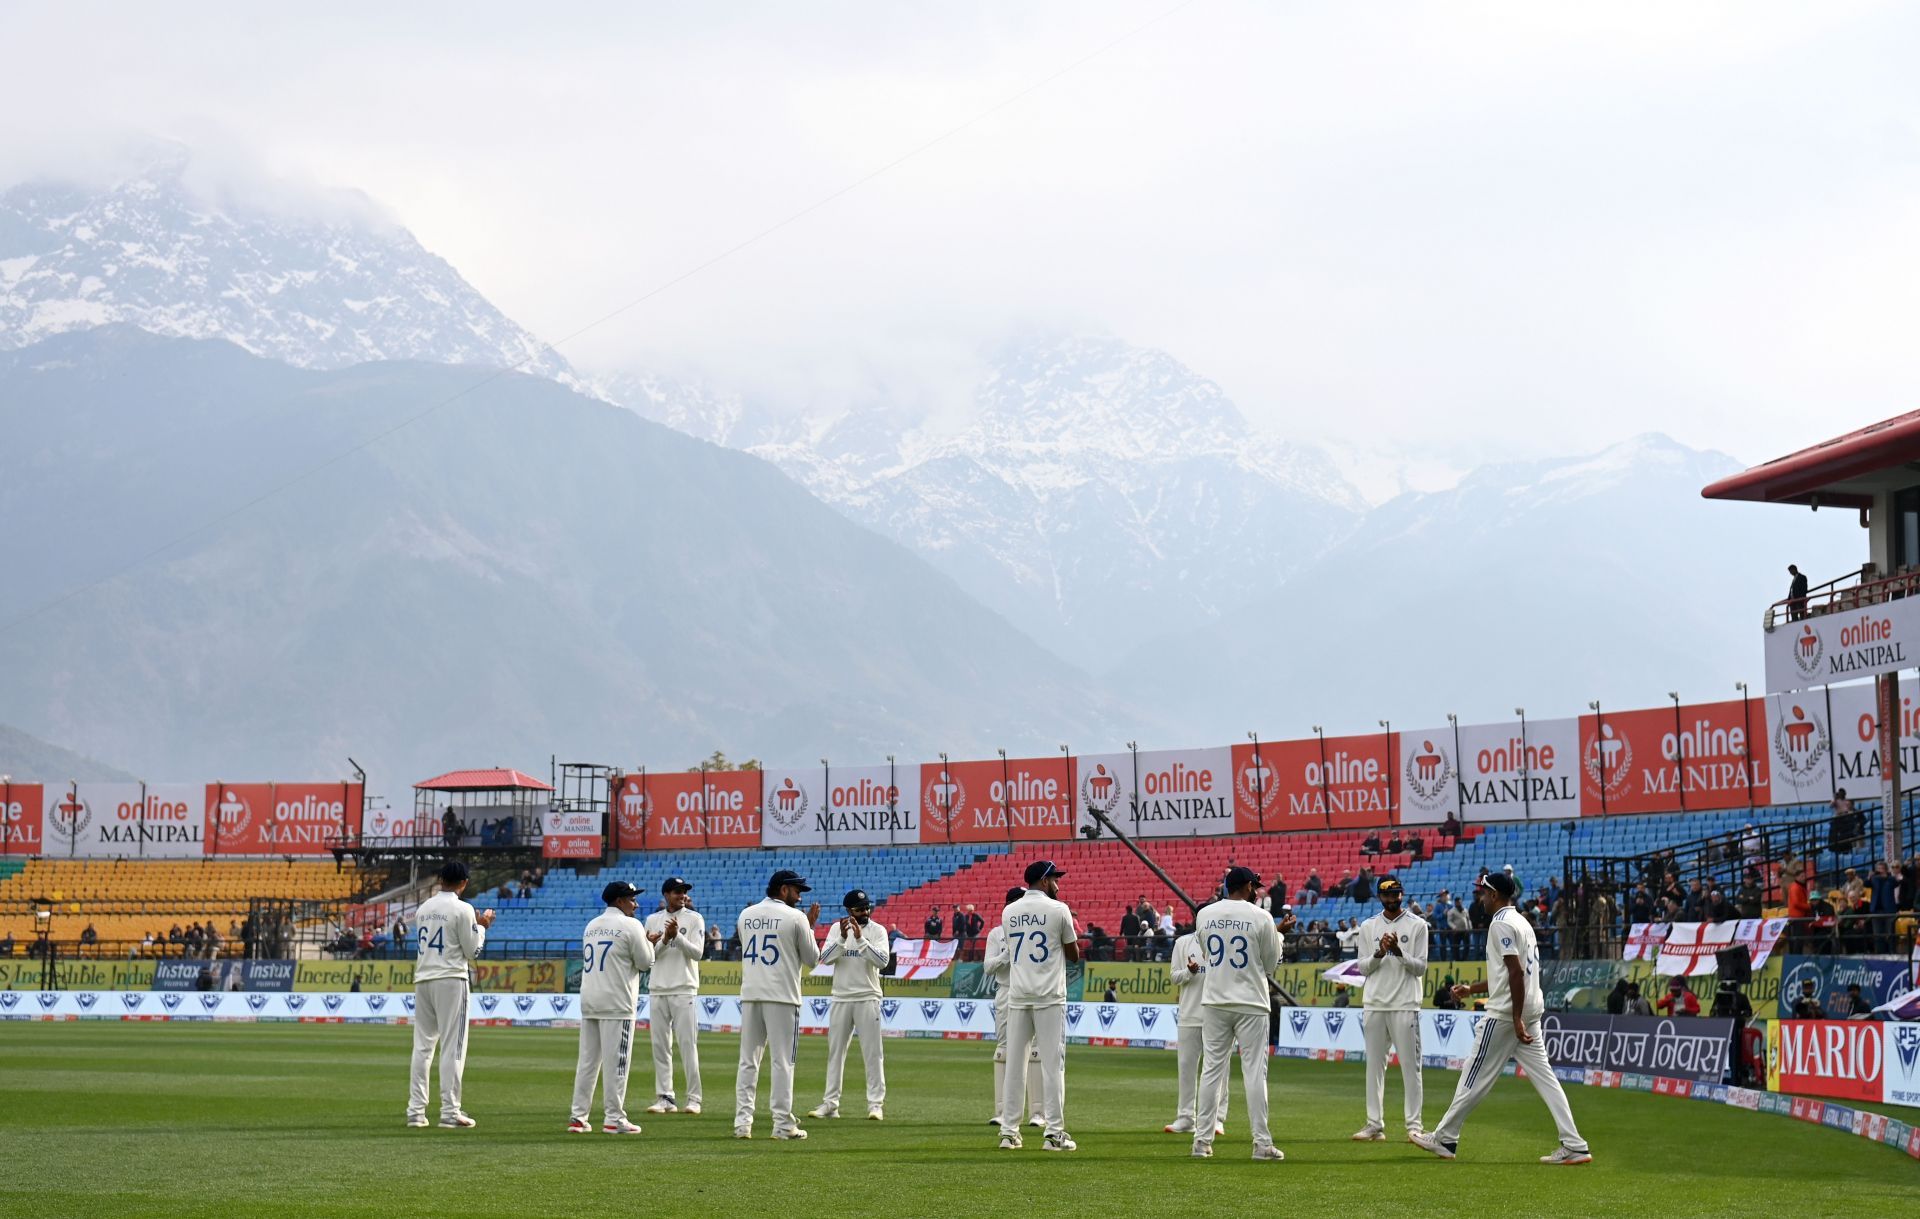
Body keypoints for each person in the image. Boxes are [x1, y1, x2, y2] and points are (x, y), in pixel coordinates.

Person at [1411, 873, 1591, 1165]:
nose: (1481, 898)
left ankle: (1445, 1137)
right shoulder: (1521, 922)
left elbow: (1516, 973)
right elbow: (1510, 973)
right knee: (1546, 1079)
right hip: (1530, 1008)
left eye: (1483, 893)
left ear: (1494, 895)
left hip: (1508, 1014)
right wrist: (1472, 989)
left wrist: (1515, 1017)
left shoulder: (1501, 924)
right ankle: (1575, 1144)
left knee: (1473, 1074)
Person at [1190, 867, 1284, 1162]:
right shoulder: (1261, 917)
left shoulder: (1204, 914)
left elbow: (1206, 952)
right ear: (1245, 887)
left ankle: (1201, 1142)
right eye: (1254, 886)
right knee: (1255, 1073)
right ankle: (1261, 1143)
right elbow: (1270, 963)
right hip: (1251, 1002)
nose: (1257, 891)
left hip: (1216, 1000)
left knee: (1211, 1072)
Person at [997, 860, 1081, 1152]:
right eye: (1055, 878)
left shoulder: (1009, 911)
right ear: (1044, 881)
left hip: (1018, 996)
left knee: (1014, 1068)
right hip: (1048, 997)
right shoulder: (1059, 909)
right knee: (1052, 1067)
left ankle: (1008, 1133)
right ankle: (1054, 1133)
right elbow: (1073, 954)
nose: (1058, 883)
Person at [406, 860, 496, 1129]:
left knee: (422, 1047)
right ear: (464, 883)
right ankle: (449, 1111)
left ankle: (415, 1112)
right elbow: (472, 952)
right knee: (453, 1048)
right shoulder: (463, 908)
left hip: (423, 978)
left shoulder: (424, 908)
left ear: (440, 880)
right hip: (450, 978)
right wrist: (482, 927)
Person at [733, 869, 821, 1140]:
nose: (799, 897)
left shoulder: (745, 914)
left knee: (748, 1061)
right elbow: (812, 959)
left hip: (751, 993)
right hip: (782, 996)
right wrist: (809, 927)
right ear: (783, 890)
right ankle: (782, 1124)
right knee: (783, 1061)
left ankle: (742, 1124)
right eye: (796, 891)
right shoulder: (796, 917)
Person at [569, 881, 655, 1134]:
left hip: (590, 999)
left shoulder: (592, 925)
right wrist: (650, 943)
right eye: (632, 899)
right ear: (619, 901)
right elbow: (645, 961)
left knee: (587, 1062)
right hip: (617, 1002)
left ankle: (578, 1117)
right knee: (617, 1062)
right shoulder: (631, 925)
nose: (636, 904)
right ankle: (614, 1118)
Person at [1353, 878, 1427, 1143]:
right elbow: (1362, 968)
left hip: (1405, 1004)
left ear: (1402, 895)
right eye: (1386, 896)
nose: (1392, 900)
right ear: (1379, 898)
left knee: (1411, 1067)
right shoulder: (1368, 926)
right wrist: (1379, 952)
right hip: (1374, 1004)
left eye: (1395, 895)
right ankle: (1374, 1124)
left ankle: (1414, 1126)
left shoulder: (1418, 926)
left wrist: (1397, 951)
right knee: (1373, 1067)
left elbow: (1420, 967)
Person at [811, 889, 890, 1121]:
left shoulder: (877, 931)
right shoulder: (837, 929)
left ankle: (875, 1105)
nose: (864, 912)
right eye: (859, 910)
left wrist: (861, 939)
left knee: (873, 1053)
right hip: (841, 997)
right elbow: (825, 958)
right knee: (835, 1053)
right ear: (848, 911)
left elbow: (882, 961)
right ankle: (830, 1104)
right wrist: (844, 939)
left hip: (868, 996)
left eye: (867, 908)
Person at [1163, 912, 1230, 1137]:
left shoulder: (1223, 942)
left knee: (1220, 1070)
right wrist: (1189, 972)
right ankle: (1185, 1118)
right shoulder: (1183, 943)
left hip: (1217, 1014)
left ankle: (1217, 1119)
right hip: (1189, 1014)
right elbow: (1174, 976)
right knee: (1187, 1069)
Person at [644, 877, 706, 1115]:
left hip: (684, 988)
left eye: (683, 892)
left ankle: (694, 1099)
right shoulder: (652, 919)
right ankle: (665, 1097)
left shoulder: (694, 918)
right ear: (666, 894)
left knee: (688, 1046)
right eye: (677, 892)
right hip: (658, 988)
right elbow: (650, 956)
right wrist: (665, 939)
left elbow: (698, 953)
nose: (681, 895)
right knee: (660, 1047)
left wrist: (676, 937)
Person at [984, 885, 1044, 1130]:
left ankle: (1038, 1113)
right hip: (1007, 992)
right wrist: (1005, 956)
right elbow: (988, 967)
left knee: (1036, 1052)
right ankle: (1002, 1112)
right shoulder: (996, 934)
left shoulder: (1039, 929)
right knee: (1004, 1051)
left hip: (1033, 991)